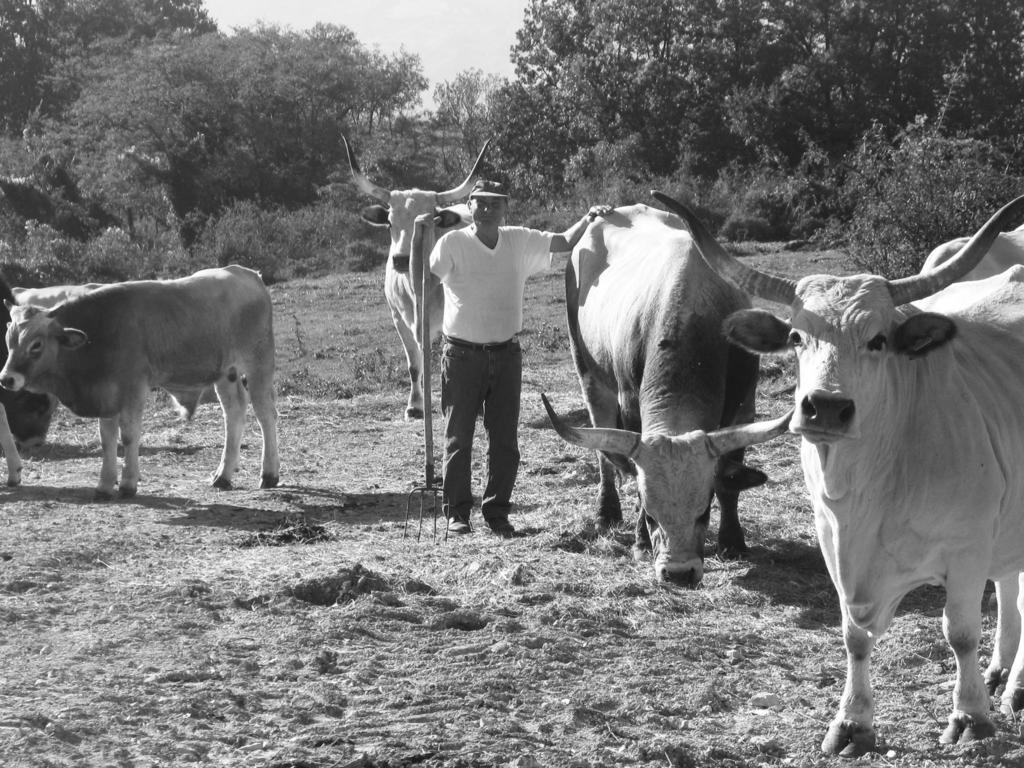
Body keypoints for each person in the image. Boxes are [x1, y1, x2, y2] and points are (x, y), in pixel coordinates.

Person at [428, 179, 612, 537]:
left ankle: (497, 512)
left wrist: (589, 217)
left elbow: (562, 241)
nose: (488, 209)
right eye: (481, 202)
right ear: (470, 205)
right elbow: (426, 278)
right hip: (462, 356)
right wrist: (419, 235)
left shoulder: (518, 239)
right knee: (458, 438)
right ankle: (457, 513)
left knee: (505, 441)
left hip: (506, 355)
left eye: (496, 203)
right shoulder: (452, 243)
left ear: (505, 208)